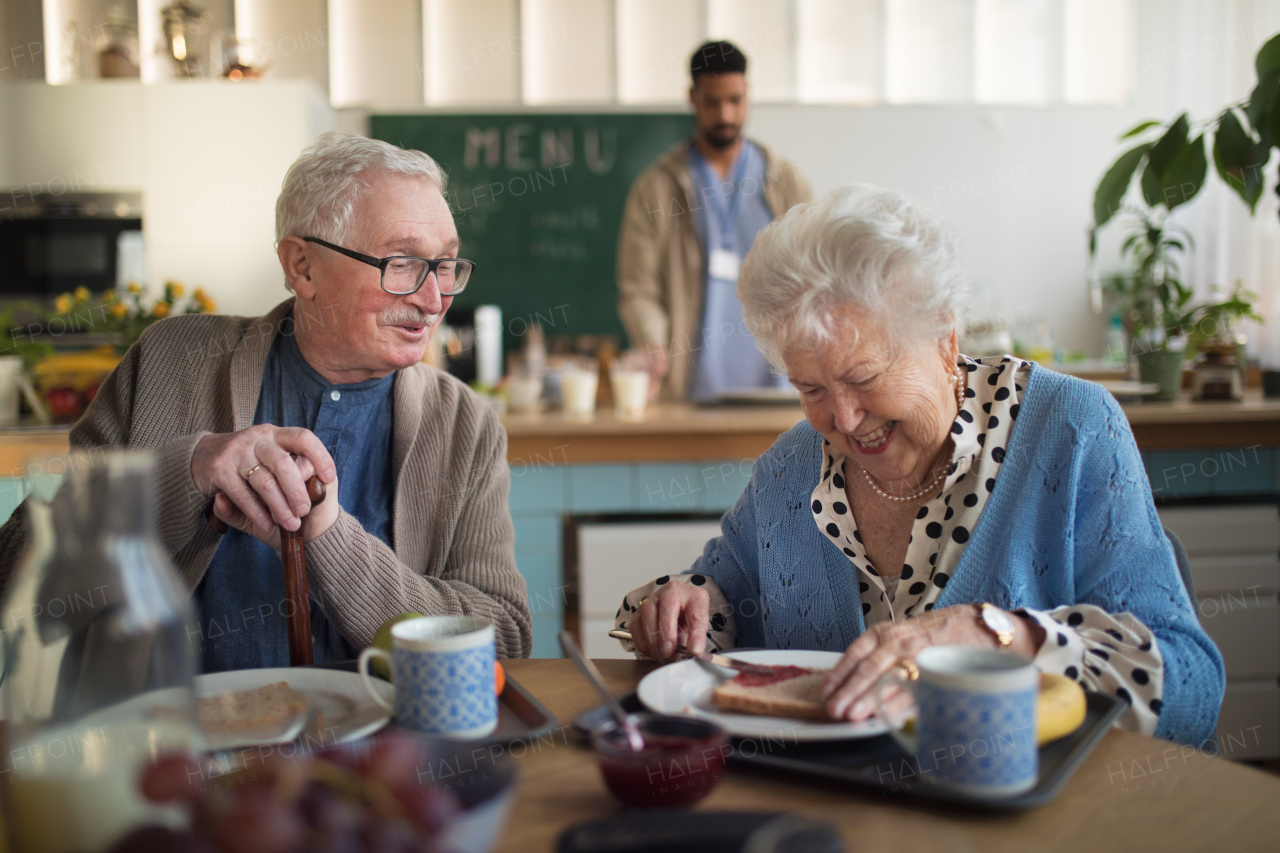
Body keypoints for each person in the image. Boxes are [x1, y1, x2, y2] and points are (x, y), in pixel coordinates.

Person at [616, 185, 1224, 746]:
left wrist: (999, 637)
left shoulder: (1071, 428)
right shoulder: (790, 468)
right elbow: (726, 599)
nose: (844, 419)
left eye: (863, 378)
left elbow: (1190, 690)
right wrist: (689, 606)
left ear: (944, 339)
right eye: (811, 389)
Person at [0, 131, 532, 670]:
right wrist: (184, 472)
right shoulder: (168, 362)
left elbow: (505, 643)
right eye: (401, 263)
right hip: (174, 745)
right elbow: (21, 589)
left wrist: (329, 539)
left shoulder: (467, 424)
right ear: (301, 266)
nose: (434, 299)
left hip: (385, 751)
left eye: (445, 265)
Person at [617, 40, 812, 402]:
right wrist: (652, 341)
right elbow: (638, 290)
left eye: (735, 100)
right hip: (690, 390)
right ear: (692, 97)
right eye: (712, 102)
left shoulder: (786, 180)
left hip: (780, 387)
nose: (725, 115)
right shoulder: (656, 188)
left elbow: (816, 278)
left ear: (748, 94)